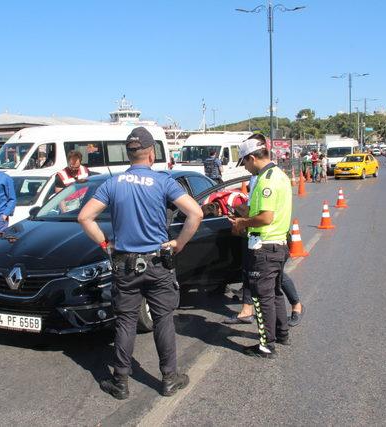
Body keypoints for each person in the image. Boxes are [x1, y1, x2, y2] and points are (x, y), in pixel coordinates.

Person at [78, 126, 203, 400]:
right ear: (152, 154)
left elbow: (84, 217)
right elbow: (196, 213)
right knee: (163, 320)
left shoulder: (112, 183)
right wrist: (179, 244)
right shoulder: (163, 182)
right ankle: (170, 378)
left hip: (125, 265)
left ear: (129, 153)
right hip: (158, 263)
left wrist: (105, 244)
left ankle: (120, 381)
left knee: (125, 321)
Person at [223, 134, 304, 327]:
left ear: (252, 157)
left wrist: (242, 222)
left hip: (267, 243)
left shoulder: (266, 179)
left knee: (265, 298)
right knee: (272, 292)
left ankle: (268, 343)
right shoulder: (276, 175)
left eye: (244, 162)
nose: (244, 167)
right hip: (272, 241)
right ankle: (280, 332)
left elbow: (266, 217)